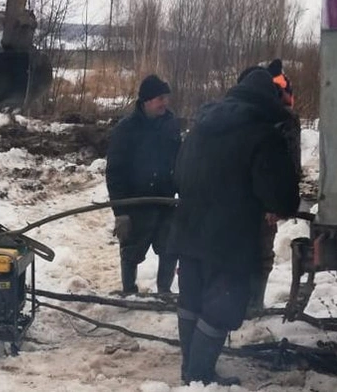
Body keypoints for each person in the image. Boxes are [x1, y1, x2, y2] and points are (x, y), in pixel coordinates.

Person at [169, 68, 300, 386]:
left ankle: (192, 372)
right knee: (222, 306)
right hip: (229, 238)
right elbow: (280, 196)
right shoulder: (263, 133)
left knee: (191, 300)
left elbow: (178, 175)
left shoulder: (201, 126)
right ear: (268, 98)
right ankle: (199, 377)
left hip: (188, 228)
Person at [106, 74, 180, 294]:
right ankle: (129, 290)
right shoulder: (126, 129)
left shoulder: (171, 125)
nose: (165, 103)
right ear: (147, 100)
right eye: (160, 98)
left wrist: (182, 192)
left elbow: (180, 161)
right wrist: (120, 212)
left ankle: (164, 291)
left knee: (169, 248)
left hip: (165, 202)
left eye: (166, 97)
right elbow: (115, 173)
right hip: (136, 203)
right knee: (130, 251)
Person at [244, 59, 302, 314]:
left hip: (248, 195)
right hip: (260, 196)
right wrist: (278, 202)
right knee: (259, 252)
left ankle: (249, 302)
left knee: (254, 250)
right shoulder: (281, 117)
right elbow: (287, 165)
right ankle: (252, 303)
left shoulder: (253, 108)